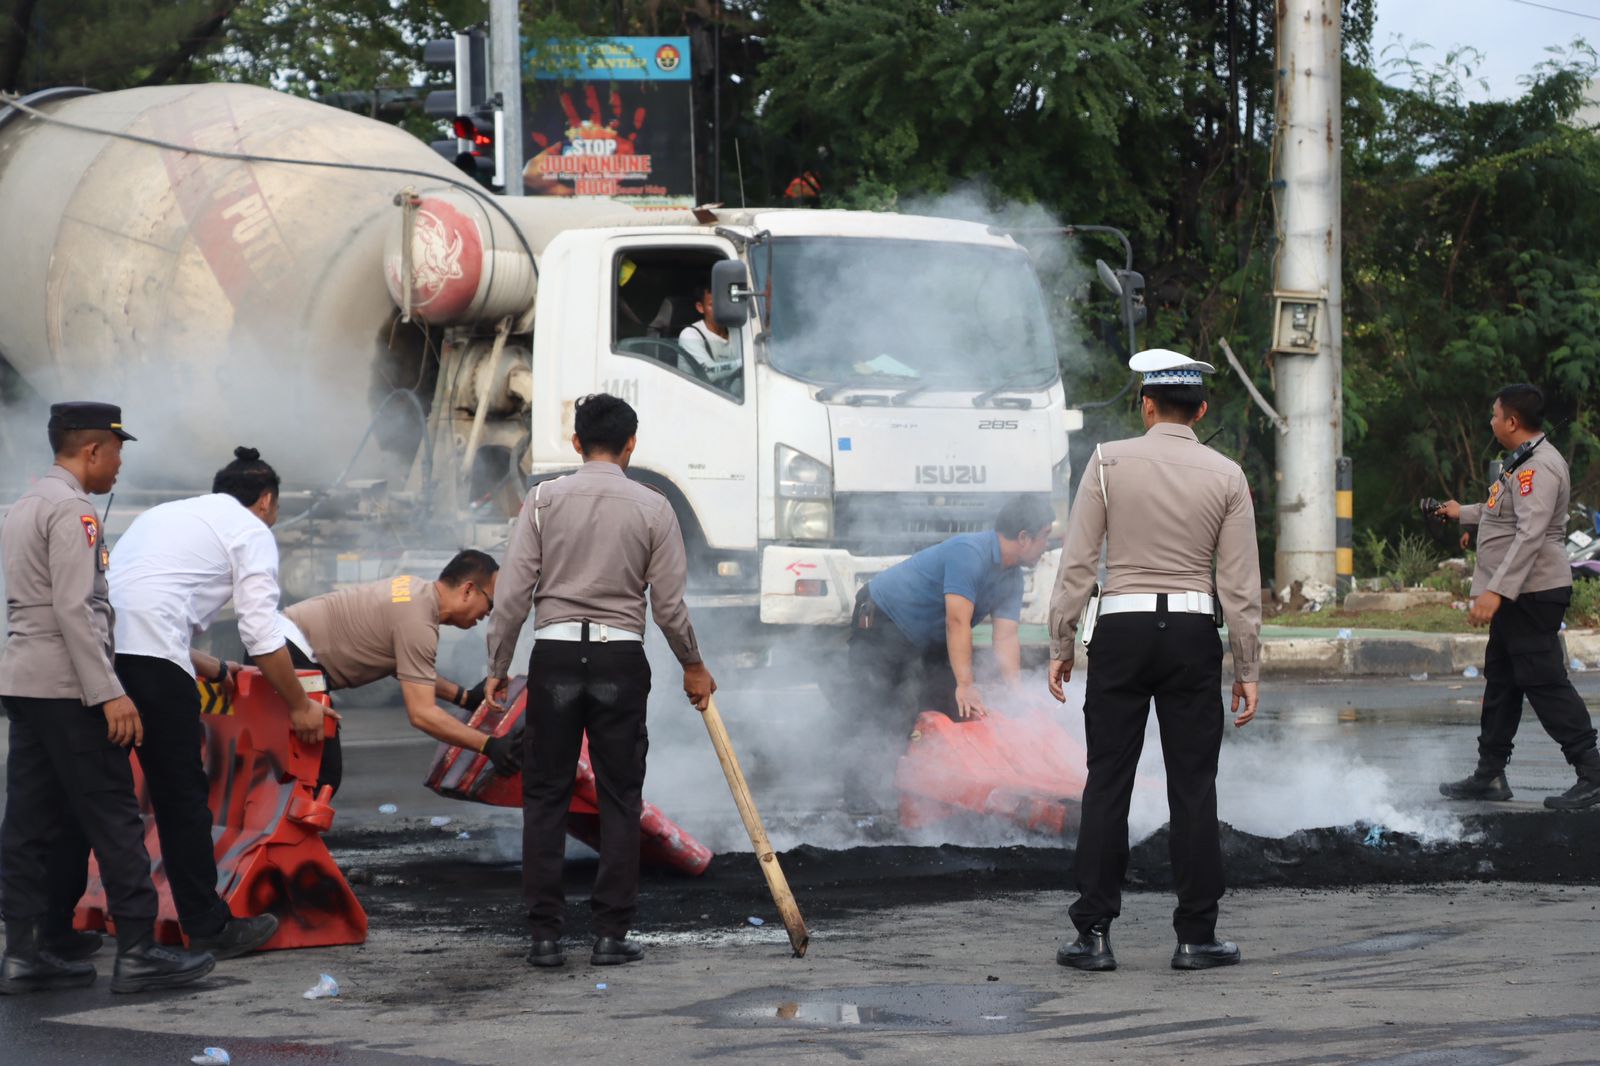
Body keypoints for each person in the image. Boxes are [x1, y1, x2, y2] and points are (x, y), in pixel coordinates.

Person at [1046, 348, 1262, 973]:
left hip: (1121, 631)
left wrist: (1062, 642)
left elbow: (1078, 563)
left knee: (1107, 781)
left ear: (1146, 405)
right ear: (1201, 410)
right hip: (1193, 634)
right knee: (1193, 786)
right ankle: (1196, 937)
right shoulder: (1228, 475)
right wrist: (1247, 668)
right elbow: (1240, 586)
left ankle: (1093, 936)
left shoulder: (1107, 461)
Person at [485, 393, 715, 969]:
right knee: (619, 796)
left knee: (546, 796)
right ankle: (611, 935)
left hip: (555, 659)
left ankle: (544, 938)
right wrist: (692, 663)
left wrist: (497, 667)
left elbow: (512, 597)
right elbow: (669, 607)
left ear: (576, 442)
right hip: (620, 661)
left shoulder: (542, 501)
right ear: (631, 445)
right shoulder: (655, 507)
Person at [0, 403, 214, 994]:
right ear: (93, 449)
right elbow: (76, 609)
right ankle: (140, 951)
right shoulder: (74, 511)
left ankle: (22, 953)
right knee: (115, 814)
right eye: (117, 451)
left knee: (27, 821)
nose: (120, 464)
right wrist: (109, 693)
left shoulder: (25, 504)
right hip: (70, 687)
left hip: (25, 682)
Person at [105, 447, 329, 960]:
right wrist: (299, 704)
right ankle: (207, 924)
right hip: (155, 664)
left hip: (102, 658)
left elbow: (144, 604)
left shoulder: (165, 515)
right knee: (180, 796)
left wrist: (211, 666)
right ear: (266, 500)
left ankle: (57, 921)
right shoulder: (251, 530)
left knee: (104, 795)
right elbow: (261, 631)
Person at [1434, 384, 1599, 809]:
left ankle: (1592, 771)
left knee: (1543, 681)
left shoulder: (1538, 468)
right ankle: (1489, 774)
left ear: (1511, 421)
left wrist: (1495, 591)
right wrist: (1463, 514)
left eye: (1494, 414)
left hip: (1532, 591)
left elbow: (1531, 534)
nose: (1491, 421)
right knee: (1503, 681)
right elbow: (1502, 512)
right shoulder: (1524, 461)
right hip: (1519, 593)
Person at [844, 496, 1056, 790]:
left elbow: (1006, 636)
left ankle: (935, 793)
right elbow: (956, 621)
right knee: (880, 709)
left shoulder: (1012, 578)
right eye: (1045, 535)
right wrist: (965, 684)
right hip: (884, 618)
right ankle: (860, 798)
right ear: (1023, 537)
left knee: (952, 710)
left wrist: (1016, 689)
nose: (1047, 544)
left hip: (931, 635)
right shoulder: (969, 554)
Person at [278, 550, 520, 784]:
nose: (488, 613)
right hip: (294, 657)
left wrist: (464, 698)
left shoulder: (415, 591)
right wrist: (488, 745)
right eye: (490, 603)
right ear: (468, 590)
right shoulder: (418, 622)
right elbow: (422, 714)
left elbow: (407, 667)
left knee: (302, 771)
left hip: (282, 644)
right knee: (320, 775)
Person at [676, 282, 741, 389]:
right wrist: (745, 364)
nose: (721, 310)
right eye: (713, 305)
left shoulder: (738, 331)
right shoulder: (690, 334)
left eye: (724, 303)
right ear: (700, 307)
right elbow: (710, 373)